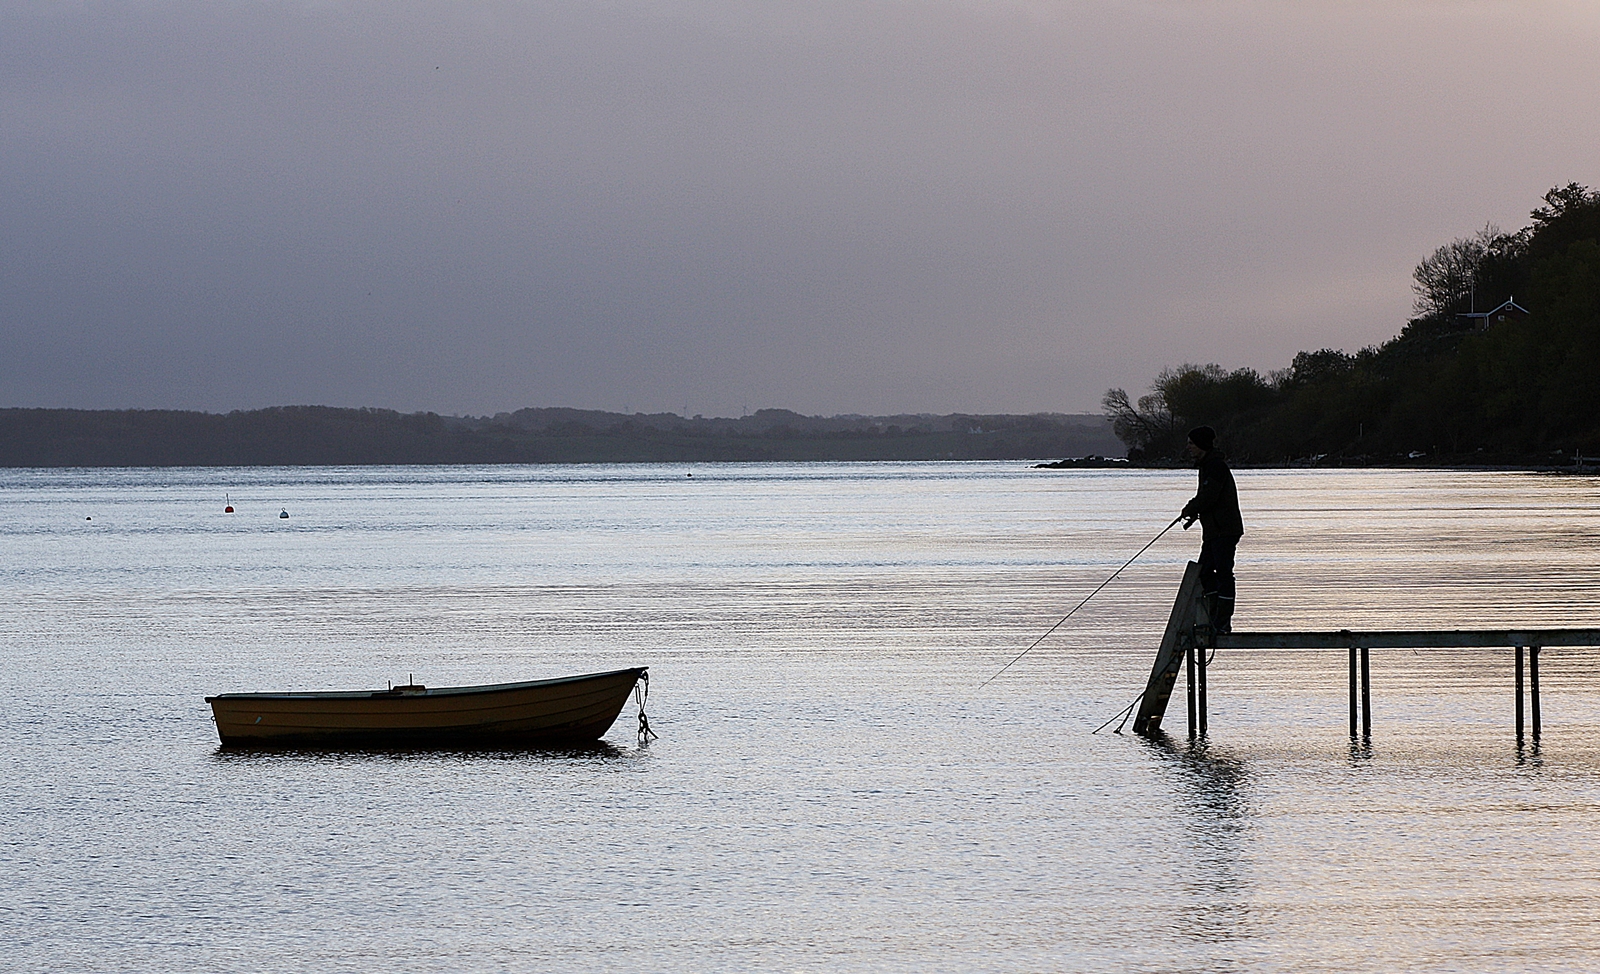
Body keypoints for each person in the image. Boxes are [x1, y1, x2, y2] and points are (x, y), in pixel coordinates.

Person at [1180, 425, 1243, 633]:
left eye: (1191, 443)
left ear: (1201, 445)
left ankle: (1222, 622)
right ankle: (1214, 617)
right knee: (1205, 572)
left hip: (1225, 530)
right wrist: (1192, 511)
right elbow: (1206, 498)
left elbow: (1209, 497)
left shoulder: (1216, 466)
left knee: (1224, 573)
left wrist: (1190, 508)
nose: (1188, 447)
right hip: (1213, 532)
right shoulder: (1206, 465)